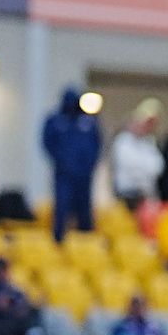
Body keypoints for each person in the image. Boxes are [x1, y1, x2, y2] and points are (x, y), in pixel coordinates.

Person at [42, 88, 102, 238]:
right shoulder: (55, 121)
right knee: (62, 208)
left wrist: (88, 166)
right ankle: (59, 242)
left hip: (84, 176)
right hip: (64, 175)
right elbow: (48, 144)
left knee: (84, 211)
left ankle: (86, 245)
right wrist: (63, 163)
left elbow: (97, 145)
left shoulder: (88, 122)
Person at [111, 107, 165, 212]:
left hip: (146, 194)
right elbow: (129, 165)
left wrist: (142, 168)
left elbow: (158, 167)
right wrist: (144, 169)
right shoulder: (122, 142)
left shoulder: (149, 142)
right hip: (126, 193)